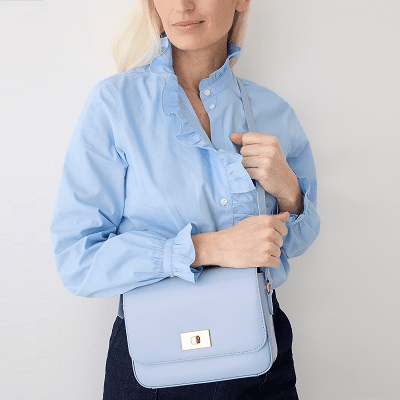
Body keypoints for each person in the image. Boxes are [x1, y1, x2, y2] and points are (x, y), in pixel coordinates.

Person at [50, 0, 320, 399]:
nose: (183, 5)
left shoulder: (271, 111)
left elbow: (295, 242)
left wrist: (288, 190)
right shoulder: (116, 105)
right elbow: (78, 259)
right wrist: (208, 248)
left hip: (262, 359)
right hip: (154, 365)